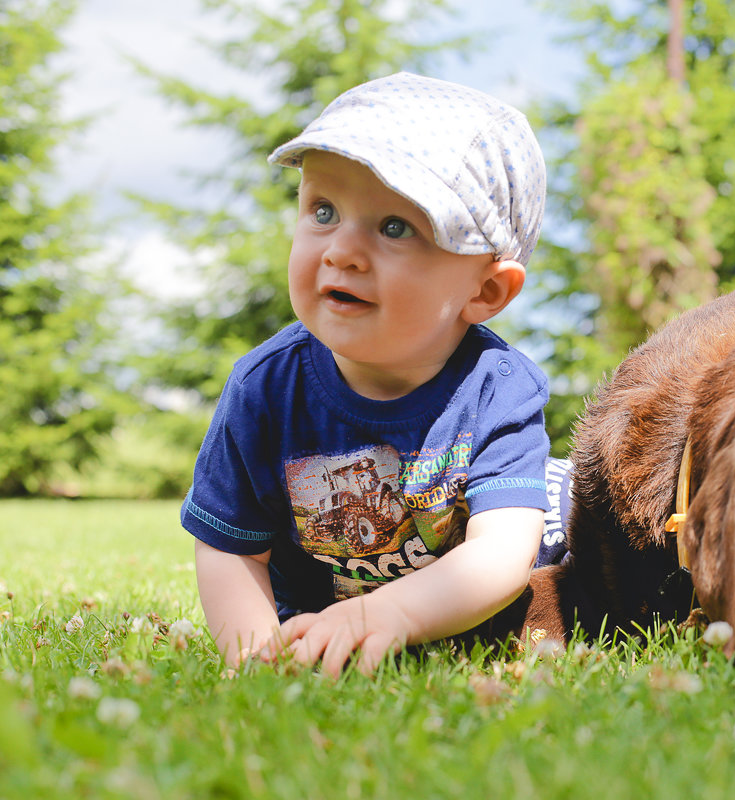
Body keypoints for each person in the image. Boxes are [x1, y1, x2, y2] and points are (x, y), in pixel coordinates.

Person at [181, 71, 561, 678]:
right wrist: (256, 657)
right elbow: (232, 549)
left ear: (487, 289)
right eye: (323, 211)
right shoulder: (264, 389)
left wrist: (389, 614)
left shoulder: (498, 390)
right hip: (326, 597)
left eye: (394, 228)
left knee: (578, 532)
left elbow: (499, 555)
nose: (341, 251)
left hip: (480, 584)